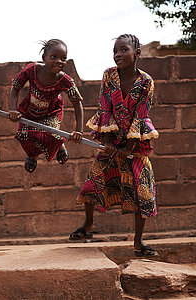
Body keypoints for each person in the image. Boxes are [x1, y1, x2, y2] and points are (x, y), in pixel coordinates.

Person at [69, 34, 159, 257]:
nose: (118, 55)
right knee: (93, 184)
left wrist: (128, 148)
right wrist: (108, 142)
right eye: (115, 51)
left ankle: (138, 243)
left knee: (142, 192)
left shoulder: (146, 82)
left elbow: (141, 115)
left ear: (136, 53)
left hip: (135, 144)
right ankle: (88, 225)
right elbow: (104, 108)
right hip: (110, 140)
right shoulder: (109, 76)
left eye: (124, 50)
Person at [8, 39, 84, 173]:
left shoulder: (65, 80)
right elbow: (15, 87)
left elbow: (77, 104)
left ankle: (59, 144)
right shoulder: (31, 70)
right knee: (24, 135)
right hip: (29, 110)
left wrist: (79, 131)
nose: (59, 61)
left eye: (63, 58)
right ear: (44, 58)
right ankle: (32, 155)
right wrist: (13, 109)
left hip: (51, 112)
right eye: (54, 57)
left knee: (51, 134)